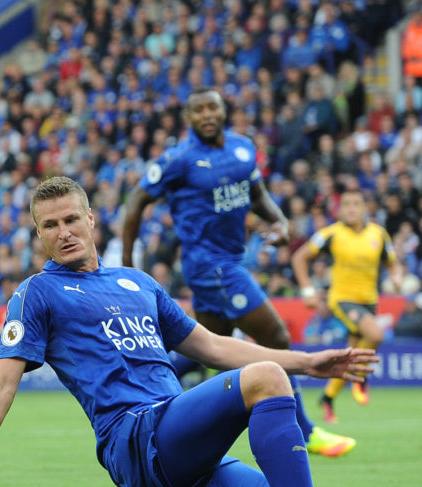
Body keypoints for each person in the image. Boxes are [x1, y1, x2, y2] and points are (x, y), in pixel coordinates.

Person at [0, 177, 392, 487]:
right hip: (135, 439)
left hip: (188, 451)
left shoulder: (139, 282)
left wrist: (307, 362)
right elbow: (2, 381)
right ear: (38, 234)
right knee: (266, 379)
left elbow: (210, 346)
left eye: (71, 219)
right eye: (50, 225)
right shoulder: (36, 294)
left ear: (91, 220)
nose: (64, 232)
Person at [121, 87, 355, 458]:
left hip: (233, 260)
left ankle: (137, 388)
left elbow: (259, 197)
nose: (207, 115)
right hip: (211, 266)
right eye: (198, 110)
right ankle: (305, 431)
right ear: (189, 118)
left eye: (212, 106)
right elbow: (135, 203)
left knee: (207, 350)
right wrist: (130, 265)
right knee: (276, 336)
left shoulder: (243, 148)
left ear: (223, 109)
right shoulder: (177, 160)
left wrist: (279, 224)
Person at [291, 189, 401, 422]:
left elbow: (392, 263)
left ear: (365, 208)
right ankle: (361, 378)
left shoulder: (379, 235)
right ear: (340, 210)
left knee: (350, 356)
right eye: (347, 204)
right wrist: (308, 291)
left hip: (369, 301)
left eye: (357, 203)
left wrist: (397, 277)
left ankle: (328, 398)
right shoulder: (330, 234)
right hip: (342, 299)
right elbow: (299, 257)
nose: (351, 208)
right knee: (375, 334)